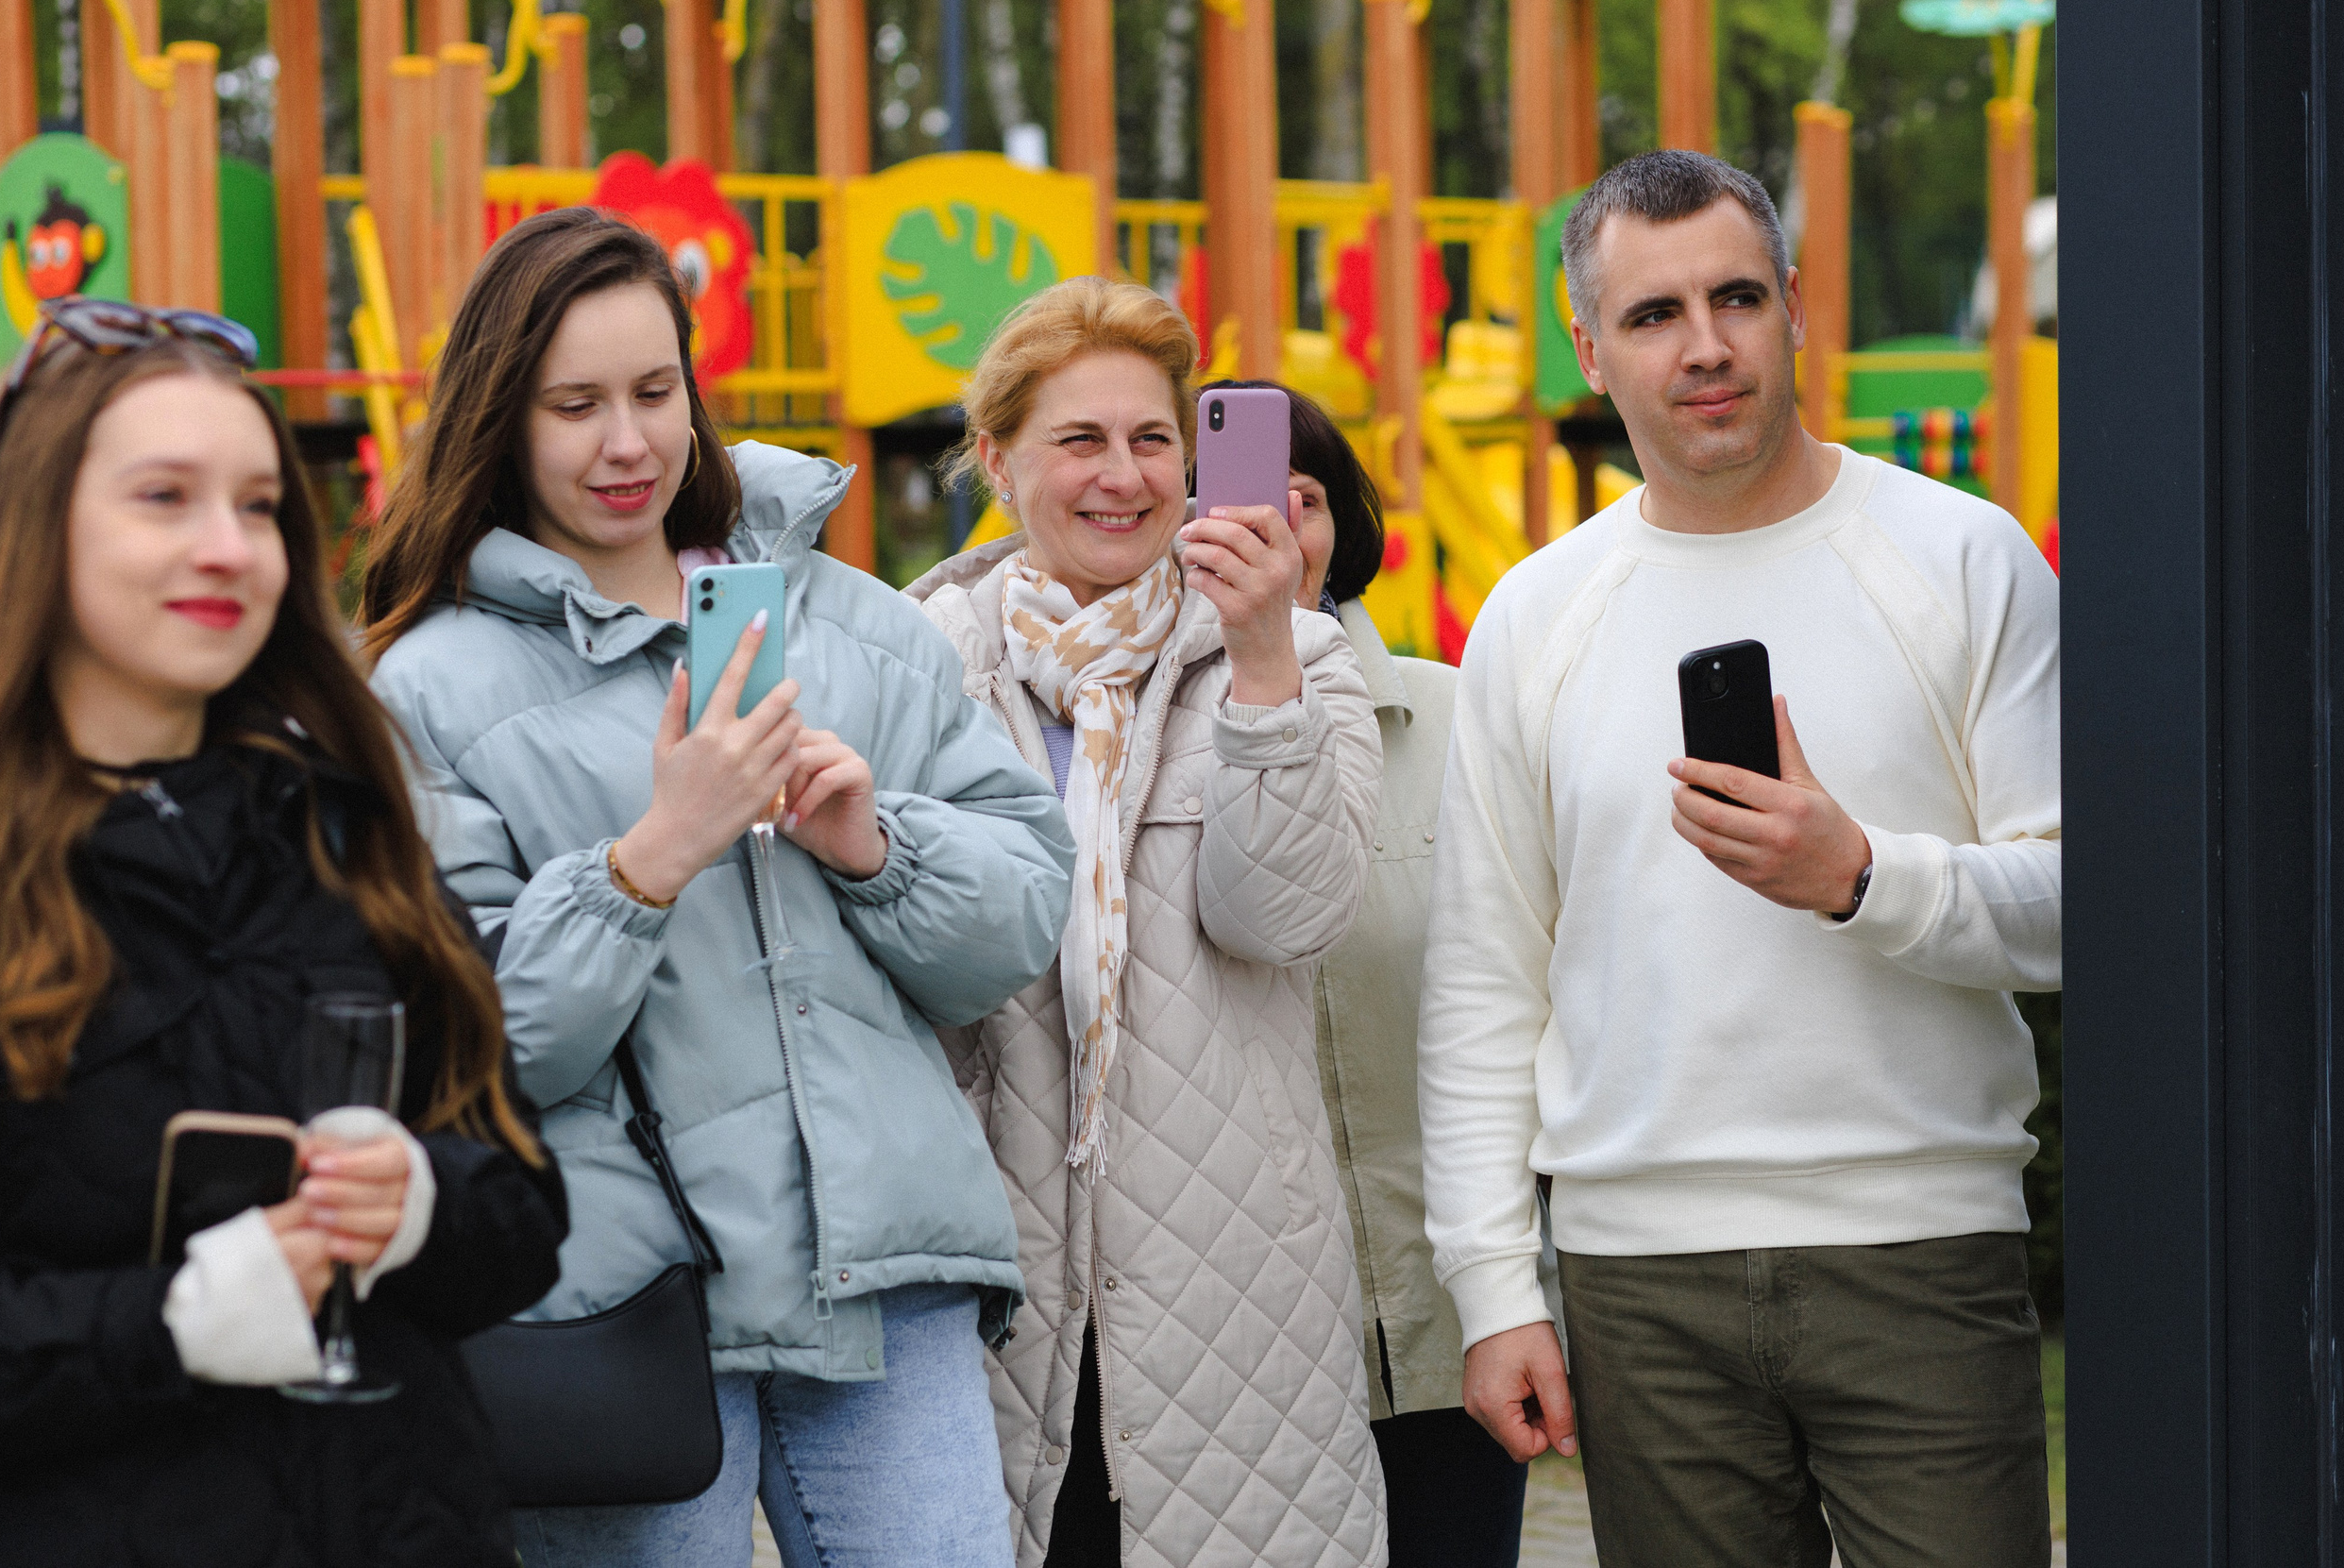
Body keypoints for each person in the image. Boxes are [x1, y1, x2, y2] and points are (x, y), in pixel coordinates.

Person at [361, 209, 1072, 1567]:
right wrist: (650, 859)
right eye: (574, 404)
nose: (625, 442)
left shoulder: (853, 616)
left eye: (652, 391)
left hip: (882, 1270)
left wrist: (873, 844)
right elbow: (465, 1044)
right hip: (618, 1287)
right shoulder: (424, 687)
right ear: (498, 417)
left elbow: (1018, 918)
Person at [1419, 149, 2061, 1568]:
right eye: (1653, 316)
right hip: (1637, 1279)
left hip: (1919, 1246)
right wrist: (1491, 1285)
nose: (1704, 346)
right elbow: (1483, 977)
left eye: (1737, 298)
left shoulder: (1965, 556)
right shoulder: (1539, 612)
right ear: (1589, 349)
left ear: (1794, 308)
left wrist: (1861, 876)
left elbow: (2082, 905)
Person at [0, 299, 567, 1565]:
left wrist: (418, 1205)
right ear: (33, 522)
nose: (229, 546)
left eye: (260, 505)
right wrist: (166, 1319)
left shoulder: (352, 834)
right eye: (164, 496)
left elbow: (523, 1207)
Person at [908, 279, 1390, 1568]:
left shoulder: (1302, 649)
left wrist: (1264, 664)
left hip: (1231, 1304)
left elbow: (1285, 913)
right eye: (1080, 441)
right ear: (999, 461)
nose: (1123, 475)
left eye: (1153, 438)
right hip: (985, 1296)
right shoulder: (913, 665)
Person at [1204, 381, 1527, 1567]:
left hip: (1447, 1313)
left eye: (1307, 498)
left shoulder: (1458, 721)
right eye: (1244, 497)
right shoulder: (1139, 745)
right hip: (1239, 1337)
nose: (1279, 527)